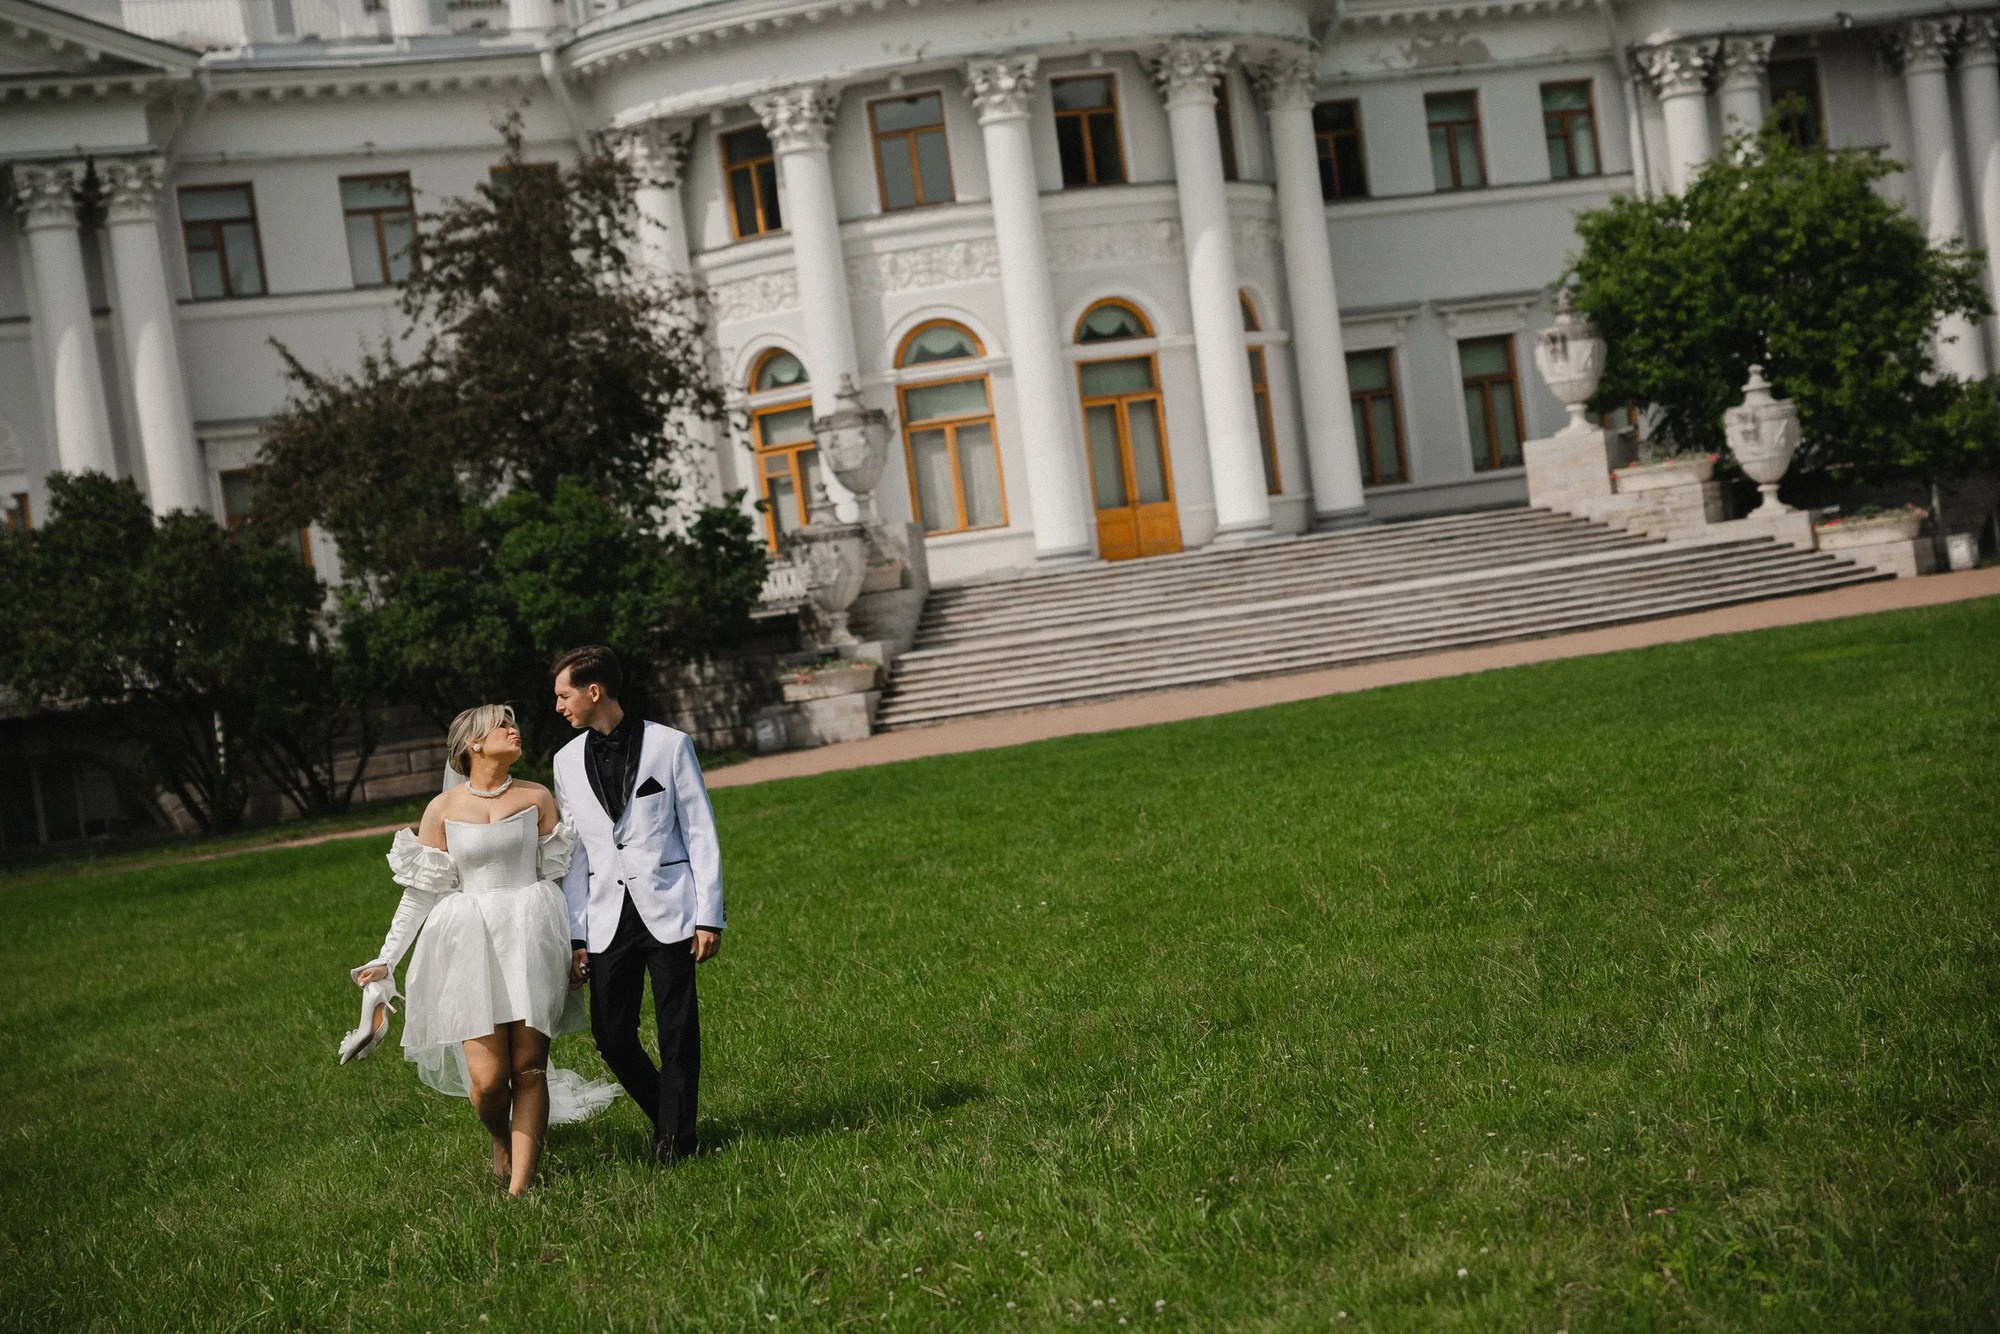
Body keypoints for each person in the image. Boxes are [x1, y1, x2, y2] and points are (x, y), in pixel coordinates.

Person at [339, 704, 619, 1195]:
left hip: (531, 933)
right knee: (489, 1079)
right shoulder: (442, 810)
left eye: (513, 722)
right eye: (502, 726)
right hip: (470, 943)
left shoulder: (537, 797)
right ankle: (499, 1137)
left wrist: (579, 943)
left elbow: (564, 877)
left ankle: (521, 1189)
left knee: (529, 1067)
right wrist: (387, 957)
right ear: (474, 744)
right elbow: (421, 893)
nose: (514, 730)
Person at [551, 645, 725, 1164]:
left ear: (594, 691)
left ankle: (675, 1144)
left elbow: (700, 831)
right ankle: (672, 1119)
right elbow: (575, 855)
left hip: (670, 908)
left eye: (564, 695)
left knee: (677, 1032)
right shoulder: (565, 761)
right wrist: (577, 934)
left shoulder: (670, 745)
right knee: (612, 1037)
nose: (559, 706)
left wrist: (708, 916)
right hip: (605, 917)